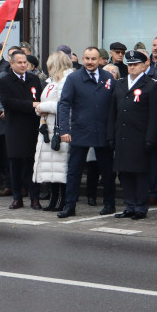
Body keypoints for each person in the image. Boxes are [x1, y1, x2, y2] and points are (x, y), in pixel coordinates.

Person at [56, 47, 116, 217]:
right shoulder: (74, 78)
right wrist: (64, 130)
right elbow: (64, 104)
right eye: (87, 58)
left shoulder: (108, 78)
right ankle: (70, 206)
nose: (90, 62)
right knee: (74, 171)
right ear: (82, 58)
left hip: (103, 131)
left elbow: (114, 104)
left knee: (107, 171)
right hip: (79, 130)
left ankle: (109, 204)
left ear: (100, 60)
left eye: (94, 59)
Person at [108, 50, 157, 220]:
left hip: (140, 138)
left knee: (140, 174)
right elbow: (112, 112)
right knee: (125, 174)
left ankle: (141, 206)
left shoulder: (150, 85)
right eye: (129, 65)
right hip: (122, 136)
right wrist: (111, 136)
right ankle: (129, 204)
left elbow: (154, 115)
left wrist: (150, 138)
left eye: (135, 64)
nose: (131, 67)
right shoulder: (120, 84)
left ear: (144, 65)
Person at [0, 50, 43, 209]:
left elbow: (39, 99)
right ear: (12, 64)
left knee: (32, 164)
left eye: (25, 62)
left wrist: (35, 105)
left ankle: (34, 198)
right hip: (15, 128)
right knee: (15, 164)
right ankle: (17, 197)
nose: (23, 65)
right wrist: (31, 105)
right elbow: (9, 103)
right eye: (19, 63)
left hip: (32, 127)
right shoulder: (5, 81)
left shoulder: (34, 79)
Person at [32, 52, 71, 213]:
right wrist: (40, 108)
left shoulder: (65, 81)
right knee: (52, 169)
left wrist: (41, 107)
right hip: (47, 128)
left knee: (60, 168)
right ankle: (54, 199)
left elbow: (65, 106)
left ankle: (61, 200)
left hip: (58, 129)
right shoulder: (52, 82)